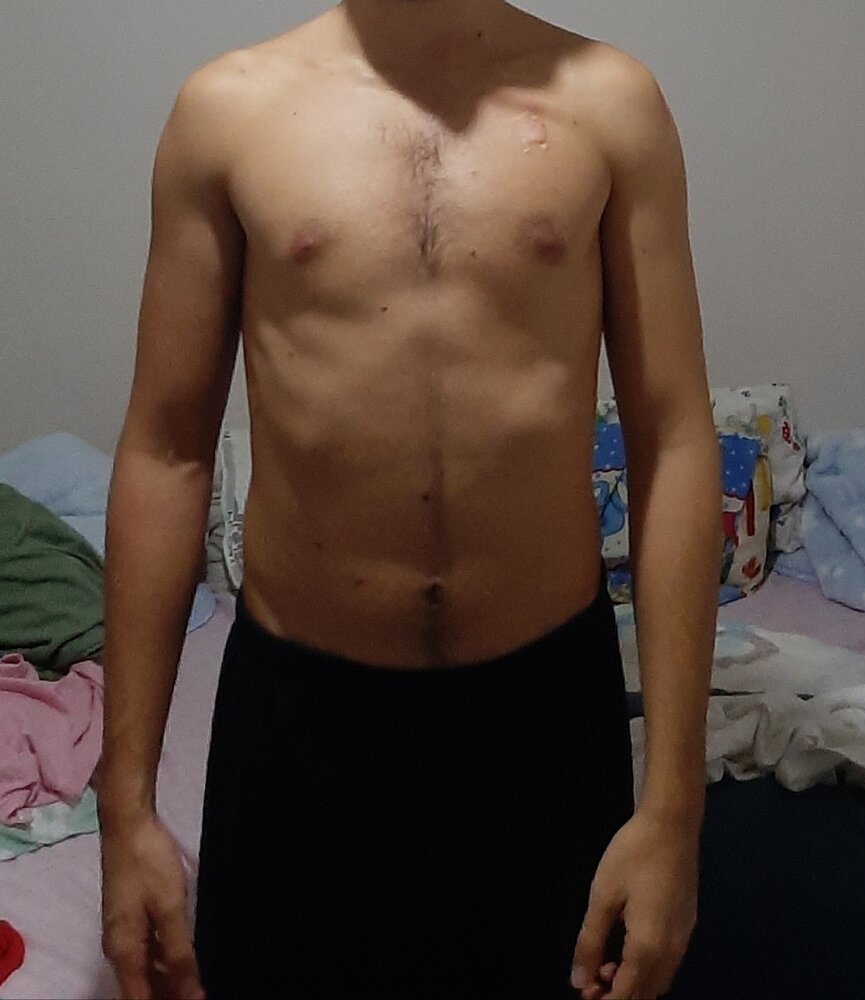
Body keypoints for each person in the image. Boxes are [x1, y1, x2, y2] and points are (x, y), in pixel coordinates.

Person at [97, 1, 723, 998]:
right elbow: (166, 451)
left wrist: (674, 809)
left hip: (542, 716)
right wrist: (124, 810)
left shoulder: (614, 106)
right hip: (301, 724)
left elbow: (676, 440)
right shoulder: (229, 112)